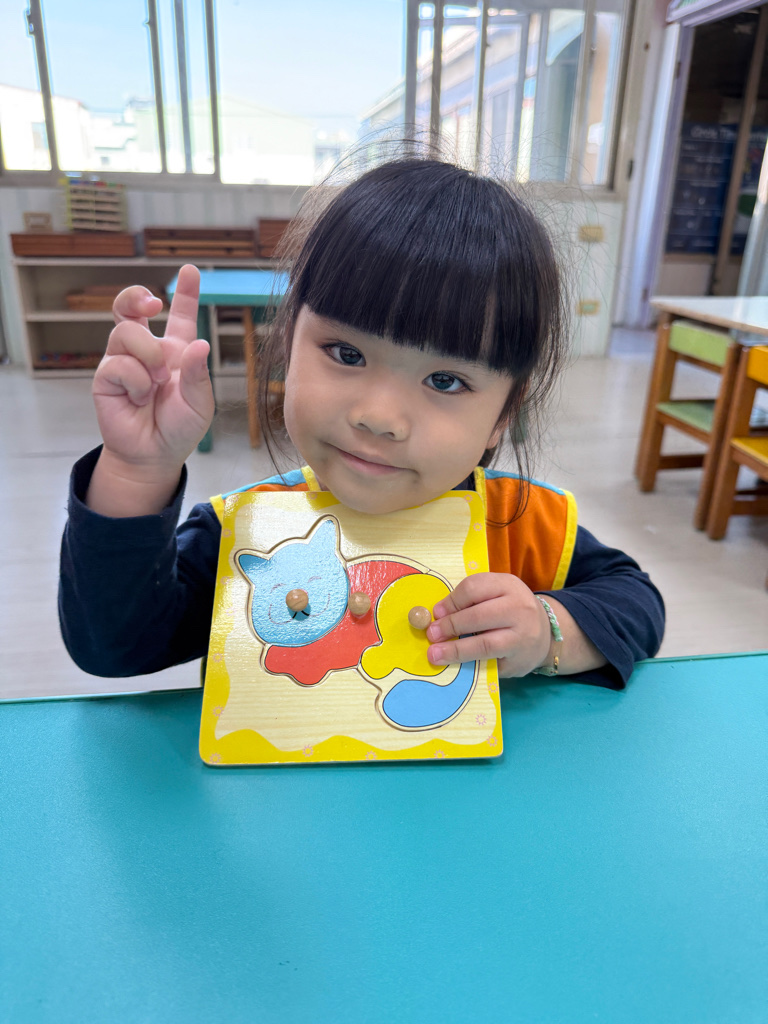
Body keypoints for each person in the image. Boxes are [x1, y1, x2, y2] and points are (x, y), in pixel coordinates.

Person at [59, 157, 664, 687]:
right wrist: (137, 471)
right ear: (287, 342)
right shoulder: (247, 534)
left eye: (445, 381)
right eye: (346, 354)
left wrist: (548, 631)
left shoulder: (528, 528)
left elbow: (637, 604)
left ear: (503, 414)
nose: (379, 418)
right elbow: (114, 647)